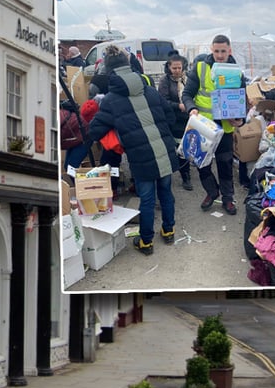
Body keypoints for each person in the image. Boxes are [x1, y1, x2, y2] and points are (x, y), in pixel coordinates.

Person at [86, 45, 178, 255]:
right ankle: (168, 230)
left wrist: (118, 133)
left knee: (146, 198)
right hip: (163, 151)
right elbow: (170, 117)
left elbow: (94, 130)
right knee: (166, 192)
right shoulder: (150, 90)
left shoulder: (110, 101)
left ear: (108, 72)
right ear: (130, 66)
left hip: (141, 156)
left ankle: (146, 241)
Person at [181, 34, 244, 215]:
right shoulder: (200, 68)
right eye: (216, 51)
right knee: (202, 164)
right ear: (212, 49)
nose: (219, 55)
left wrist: (240, 119)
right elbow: (187, 94)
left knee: (225, 164)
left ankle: (227, 198)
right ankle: (211, 192)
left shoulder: (236, 71)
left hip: (225, 129)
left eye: (223, 51)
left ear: (229, 50)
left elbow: (241, 101)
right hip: (204, 128)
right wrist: (191, 108)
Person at [158, 53, 192, 190]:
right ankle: (182, 174)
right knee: (177, 147)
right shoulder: (165, 81)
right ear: (169, 67)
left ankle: (186, 175)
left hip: (188, 117)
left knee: (186, 147)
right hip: (173, 118)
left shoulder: (188, 79)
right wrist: (178, 106)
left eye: (179, 68)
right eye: (174, 68)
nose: (177, 71)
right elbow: (163, 100)